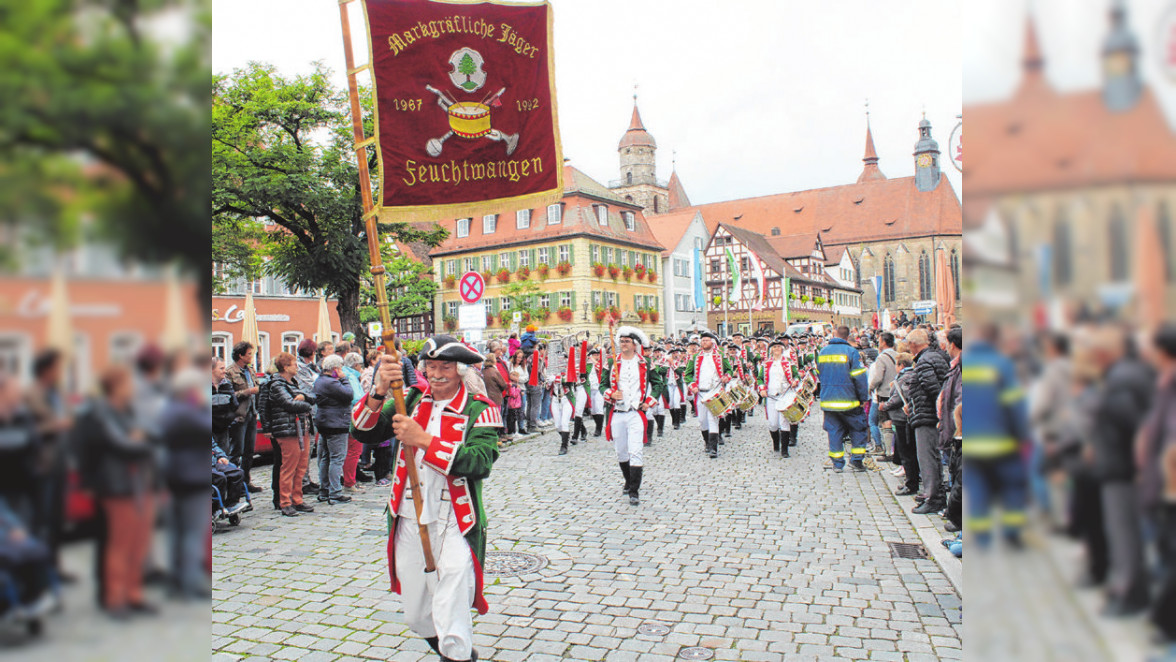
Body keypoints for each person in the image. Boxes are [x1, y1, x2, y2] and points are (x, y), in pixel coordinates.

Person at [351, 335, 500, 662]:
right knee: (417, 614)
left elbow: (480, 462)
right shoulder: (412, 401)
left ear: (461, 369)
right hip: (407, 513)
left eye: (445, 366)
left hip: (455, 520)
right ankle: (458, 652)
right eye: (430, 366)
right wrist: (378, 390)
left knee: (451, 602)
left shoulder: (480, 410)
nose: (436, 374)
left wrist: (424, 440)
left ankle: (456, 654)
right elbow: (364, 431)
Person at [74, 365, 157, 619]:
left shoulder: (129, 409)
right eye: (127, 382)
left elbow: (151, 434)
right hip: (117, 485)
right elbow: (121, 444)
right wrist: (138, 439)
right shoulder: (101, 412)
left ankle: (134, 594)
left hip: (140, 483)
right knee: (119, 545)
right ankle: (115, 598)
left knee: (139, 543)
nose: (132, 386)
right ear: (116, 385)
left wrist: (139, 438)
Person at [1088, 325, 1153, 615]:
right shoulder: (1127, 374)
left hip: (1121, 468)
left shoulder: (1122, 379)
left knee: (1124, 534)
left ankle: (1130, 594)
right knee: (1124, 533)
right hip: (1120, 465)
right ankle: (1129, 589)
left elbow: (1134, 425)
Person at [161, 367, 217, 600]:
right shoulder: (188, 412)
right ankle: (189, 583)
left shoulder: (169, 410)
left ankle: (177, 579)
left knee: (177, 531)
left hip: (174, 475)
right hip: (192, 476)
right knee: (192, 532)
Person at [603, 327, 656, 505]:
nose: (623, 344)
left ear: (635, 345)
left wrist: (649, 401)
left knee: (636, 451)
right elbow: (602, 385)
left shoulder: (645, 362)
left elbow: (658, 383)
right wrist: (611, 393)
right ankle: (628, 479)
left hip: (635, 412)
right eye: (622, 341)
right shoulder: (611, 362)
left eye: (627, 341)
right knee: (621, 452)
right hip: (617, 412)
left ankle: (634, 490)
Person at [816, 326, 871, 473]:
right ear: (848, 337)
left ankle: (837, 464)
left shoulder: (822, 352)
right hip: (849, 401)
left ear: (834, 335)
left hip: (829, 401)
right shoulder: (852, 352)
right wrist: (863, 398)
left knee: (834, 431)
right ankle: (857, 461)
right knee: (858, 430)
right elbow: (860, 378)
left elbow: (819, 375)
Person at [269, 352, 317, 517]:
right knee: (289, 467)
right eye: (294, 364)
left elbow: (311, 397)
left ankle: (298, 498)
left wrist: (302, 398)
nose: (297, 366)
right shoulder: (276, 385)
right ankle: (285, 501)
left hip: (302, 427)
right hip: (287, 429)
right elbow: (288, 404)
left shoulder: (294, 382)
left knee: (302, 466)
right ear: (286, 367)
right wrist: (304, 402)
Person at [907, 328, 950, 511]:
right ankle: (931, 494)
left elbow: (934, 390)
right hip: (930, 414)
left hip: (927, 416)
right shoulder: (935, 357)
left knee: (927, 458)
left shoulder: (925, 361)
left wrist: (940, 413)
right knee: (930, 457)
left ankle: (933, 497)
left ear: (914, 345)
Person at [685, 331, 736, 459]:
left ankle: (714, 448)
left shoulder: (720, 355)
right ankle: (707, 442)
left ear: (712, 342)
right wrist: (692, 386)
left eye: (707, 340)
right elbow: (688, 374)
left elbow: (729, 369)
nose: (704, 342)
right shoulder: (695, 357)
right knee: (702, 421)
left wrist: (726, 377)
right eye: (702, 341)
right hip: (701, 392)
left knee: (713, 419)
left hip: (715, 390)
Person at [313, 355, 354, 505]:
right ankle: (335, 492)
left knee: (326, 457)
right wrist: (344, 378)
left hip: (324, 422)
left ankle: (324, 490)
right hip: (336, 423)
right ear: (335, 369)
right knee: (337, 458)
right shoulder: (332, 382)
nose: (342, 371)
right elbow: (349, 394)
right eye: (340, 368)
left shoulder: (320, 380)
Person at [881, 353, 919, 495]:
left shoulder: (905, 378)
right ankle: (910, 481)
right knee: (906, 451)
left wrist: (884, 406)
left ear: (901, 365)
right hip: (902, 418)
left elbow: (898, 398)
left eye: (896, 365)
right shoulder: (907, 376)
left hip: (902, 418)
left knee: (906, 452)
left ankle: (911, 483)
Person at [226, 341, 262, 492]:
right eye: (249, 354)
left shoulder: (251, 370)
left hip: (252, 413)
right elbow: (228, 395)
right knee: (236, 451)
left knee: (249, 452)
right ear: (240, 355)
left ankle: (246, 481)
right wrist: (247, 392)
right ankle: (234, 484)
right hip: (239, 416)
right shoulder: (230, 372)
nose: (252, 357)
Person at [939, 328, 964, 533]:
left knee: (959, 477)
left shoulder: (960, 367)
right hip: (954, 429)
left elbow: (959, 400)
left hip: (959, 432)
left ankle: (957, 518)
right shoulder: (954, 367)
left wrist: (958, 431)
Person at [757, 339, 797, 458]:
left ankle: (784, 450)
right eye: (774, 347)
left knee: (784, 422)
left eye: (779, 347)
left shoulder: (788, 362)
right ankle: (776, 443)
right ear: (771, 350)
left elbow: (796, 375)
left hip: (785, 395)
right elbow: (760, 378)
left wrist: (795, 381)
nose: (777, 349)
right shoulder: (766, 364)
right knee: (773, 424)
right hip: (771, 396)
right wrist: (762, 389)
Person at [296, 339, 322, 495]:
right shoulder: (300, 368)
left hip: (314, 409)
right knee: (306, 446)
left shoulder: (313, 366)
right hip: (307, 410)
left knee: (310, 446)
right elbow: (312, 386)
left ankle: (307, 479)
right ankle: (303, 481)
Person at [869, 332, 898, 457]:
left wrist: (870, 388)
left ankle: (888, 452)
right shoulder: (898, 355)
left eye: (879, 341)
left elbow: (878, 377)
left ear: (884, 342)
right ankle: (895, 450)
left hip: (885, 393)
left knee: (886, 422)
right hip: (897, 392)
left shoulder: (881, 357)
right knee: (896, 422)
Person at [211, 357, 237, 455]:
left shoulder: (227, 385)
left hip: (224, 429)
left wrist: (229, 418)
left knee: (224, 457)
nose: (224, 371)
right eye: (221, 368)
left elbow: (234, 405)